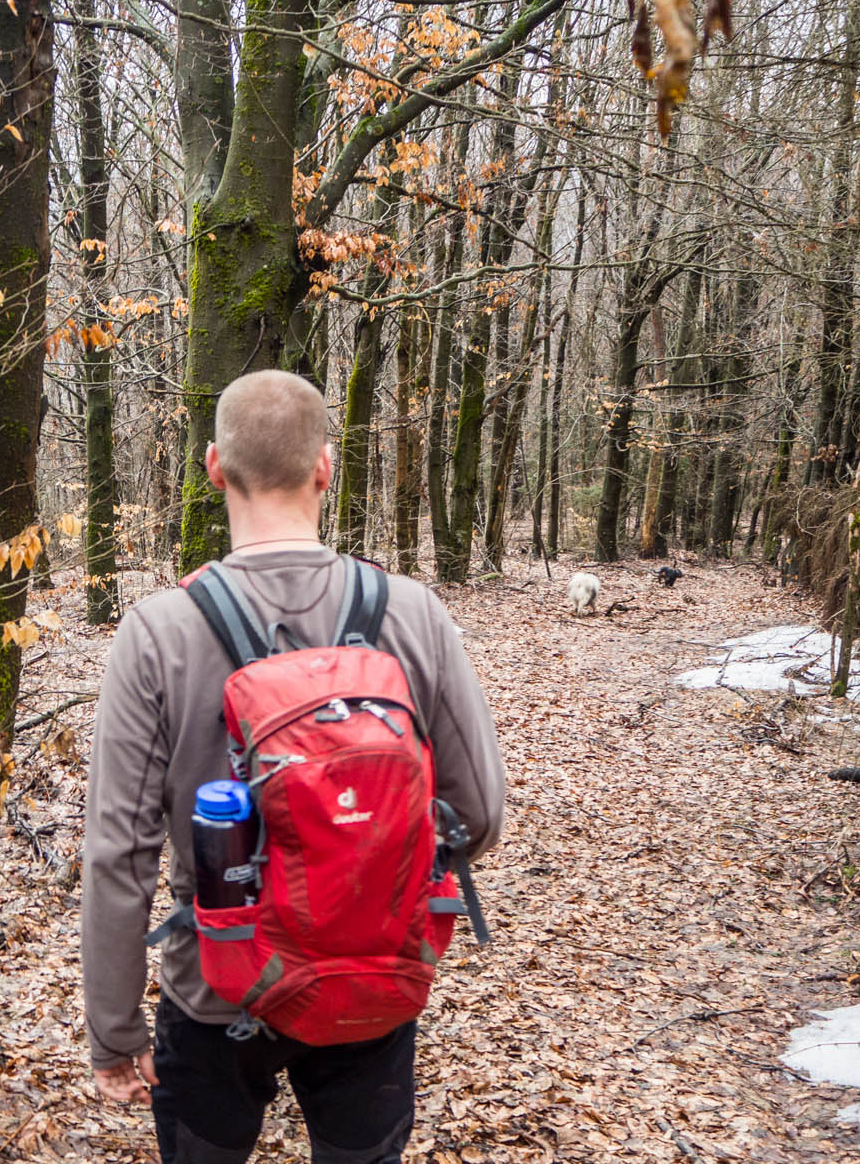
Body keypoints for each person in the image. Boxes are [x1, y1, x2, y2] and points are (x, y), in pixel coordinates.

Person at [82, 368, 505, 1164]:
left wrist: (114, 1028)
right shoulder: (411, 612)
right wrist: (366, 877)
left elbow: (118, 853)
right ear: (325, 466)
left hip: (215, 985)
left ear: (213, 467)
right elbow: (477, 815)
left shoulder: (158, 630)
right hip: (371, 982)